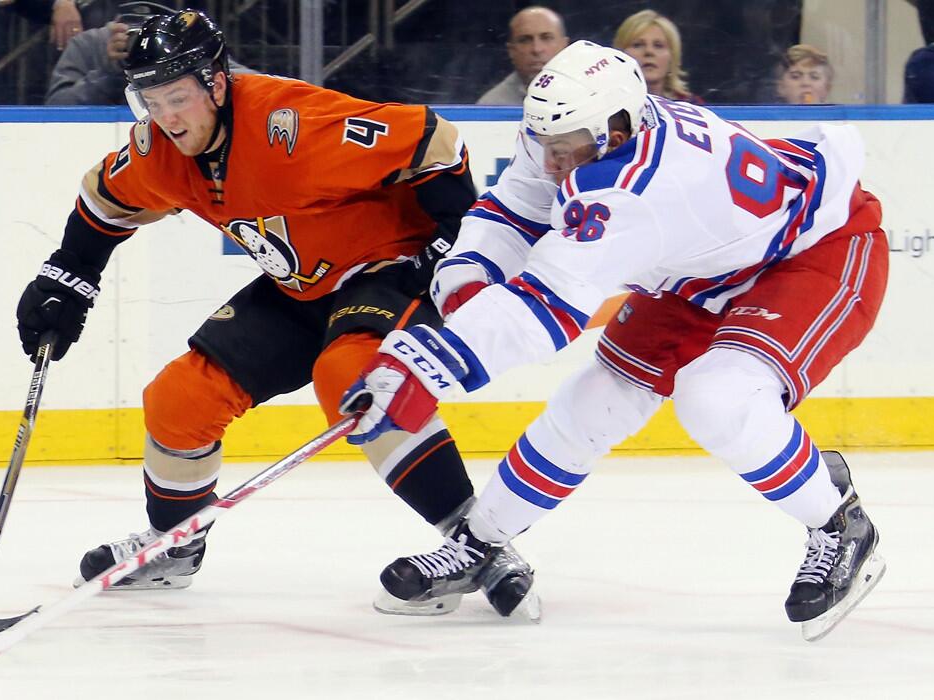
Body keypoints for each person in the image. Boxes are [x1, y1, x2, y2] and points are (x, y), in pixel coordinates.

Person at [342, 40, 888, 640]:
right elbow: (520, 208)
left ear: (618, 129)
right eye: (546, 144)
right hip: (695, 269)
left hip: (815, 251)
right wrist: (469, 277)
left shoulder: (637, 192)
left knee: (717, 399)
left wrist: (426, 364)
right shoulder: (573, 129)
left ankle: (839, 524)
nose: (552, 162)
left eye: (565, 150)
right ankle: (482, 541)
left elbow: (544, 308)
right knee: (593, 401)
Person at [15, 8, 537, 618]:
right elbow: (104, 202)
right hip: (299, 287)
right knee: (179, 399)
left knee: (352, 376)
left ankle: (479, 544)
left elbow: (432, 139)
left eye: (177, 97)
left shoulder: (291, 126)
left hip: (384, 266)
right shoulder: (162, 147)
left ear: (215, 81)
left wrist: (456, 241)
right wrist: (69, 273)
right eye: (149, 100)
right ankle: (174, 547)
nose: (166, 117)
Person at [46, 1, 254, 105]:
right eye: (136, 30)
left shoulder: (187, 39)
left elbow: (247, 82)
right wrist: (109, 74)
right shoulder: (90, 43)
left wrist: (184, 65)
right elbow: (56, 110)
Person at [476, 6, 569, 105]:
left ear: (565, 46)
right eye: (525, 40)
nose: (536, 49)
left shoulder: (587, 92)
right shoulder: (492, 106)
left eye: (546, 38)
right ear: (511, 51)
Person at [613, 9, 702, 104]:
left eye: (658, 46)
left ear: (672, 57)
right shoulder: (606, 104)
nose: (649, 51)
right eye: (637, 45)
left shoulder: (692, 107)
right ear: (620, 54)